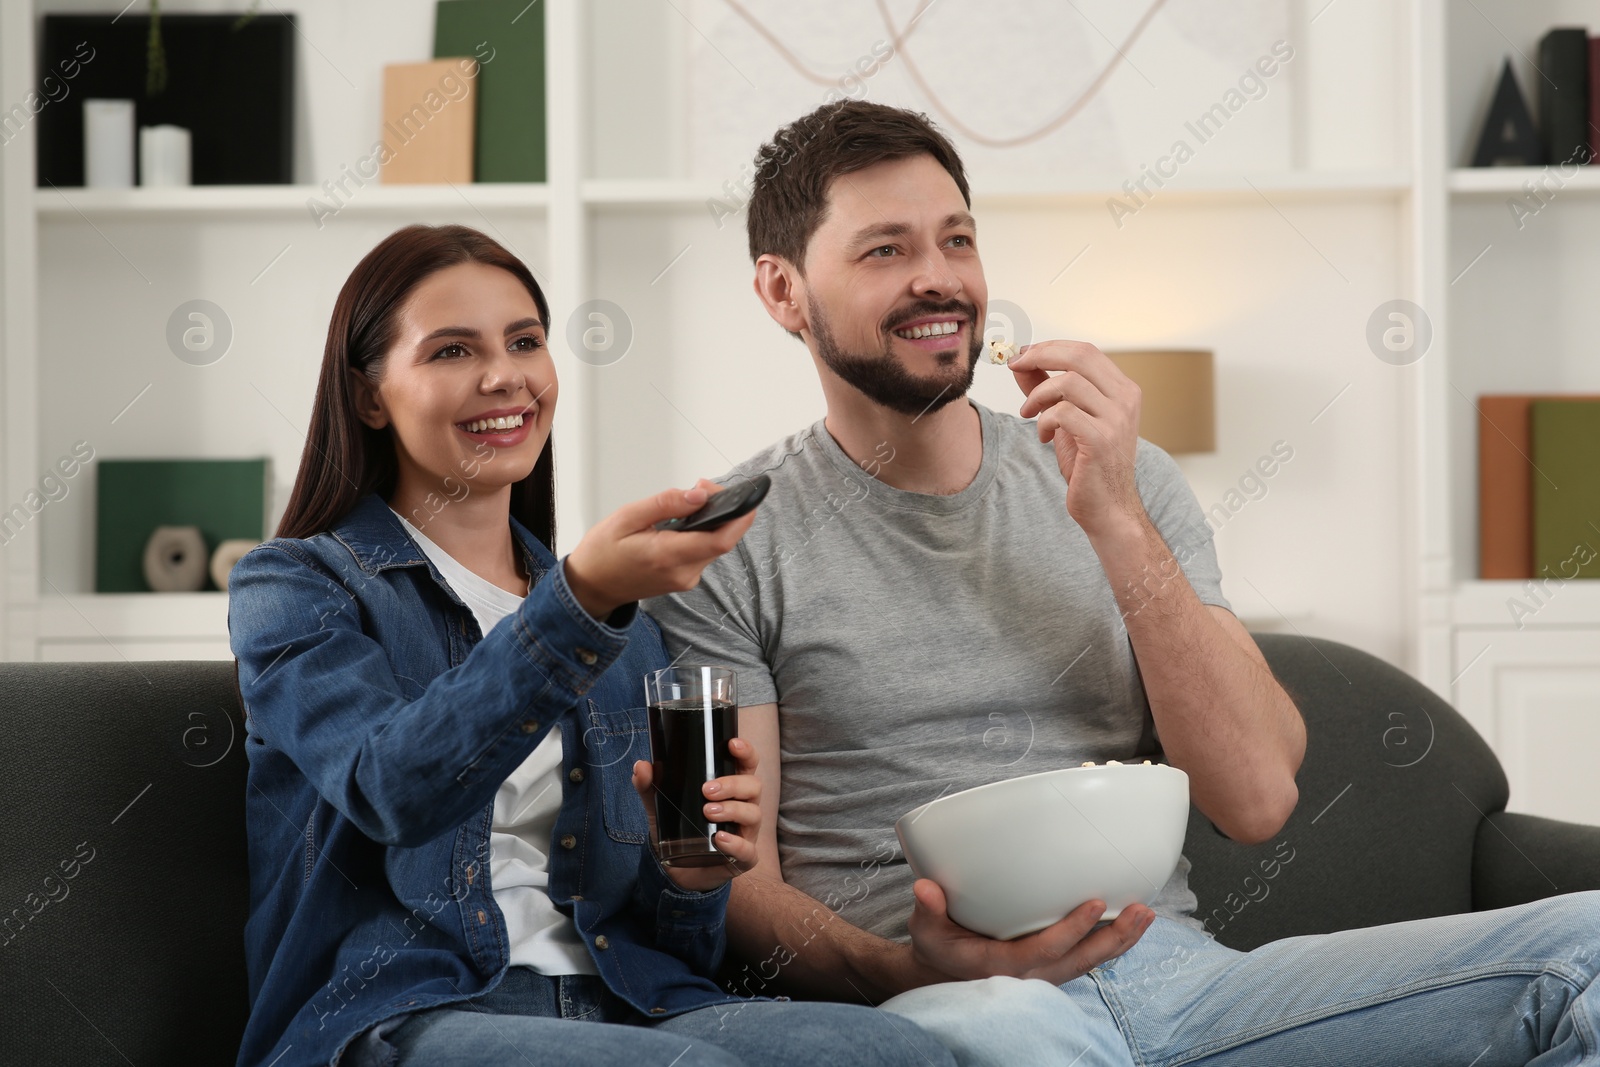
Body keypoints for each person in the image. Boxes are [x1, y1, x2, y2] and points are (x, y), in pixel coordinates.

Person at [643, 101, 1600, 1066]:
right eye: (884, 250)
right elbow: (732, 879)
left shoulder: (1123, 482)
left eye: (957, 239)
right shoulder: (724, 542)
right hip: (960, 1008)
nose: (938, 278)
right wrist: (899, 972)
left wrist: (1114, 517)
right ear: (782, 290)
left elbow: (1258, 795)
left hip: (1188, 982)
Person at [226, 223, 958, 1067]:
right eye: (452, 350)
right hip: (405, 1012)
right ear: (368, 396)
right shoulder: (296, 587)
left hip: (624, 1002)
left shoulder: (620, 623)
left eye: (525, 341)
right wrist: (581, 598)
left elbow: (673, 941)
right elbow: (389, 788)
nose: (505, 376)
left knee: (896, 1053)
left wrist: (694, 876)